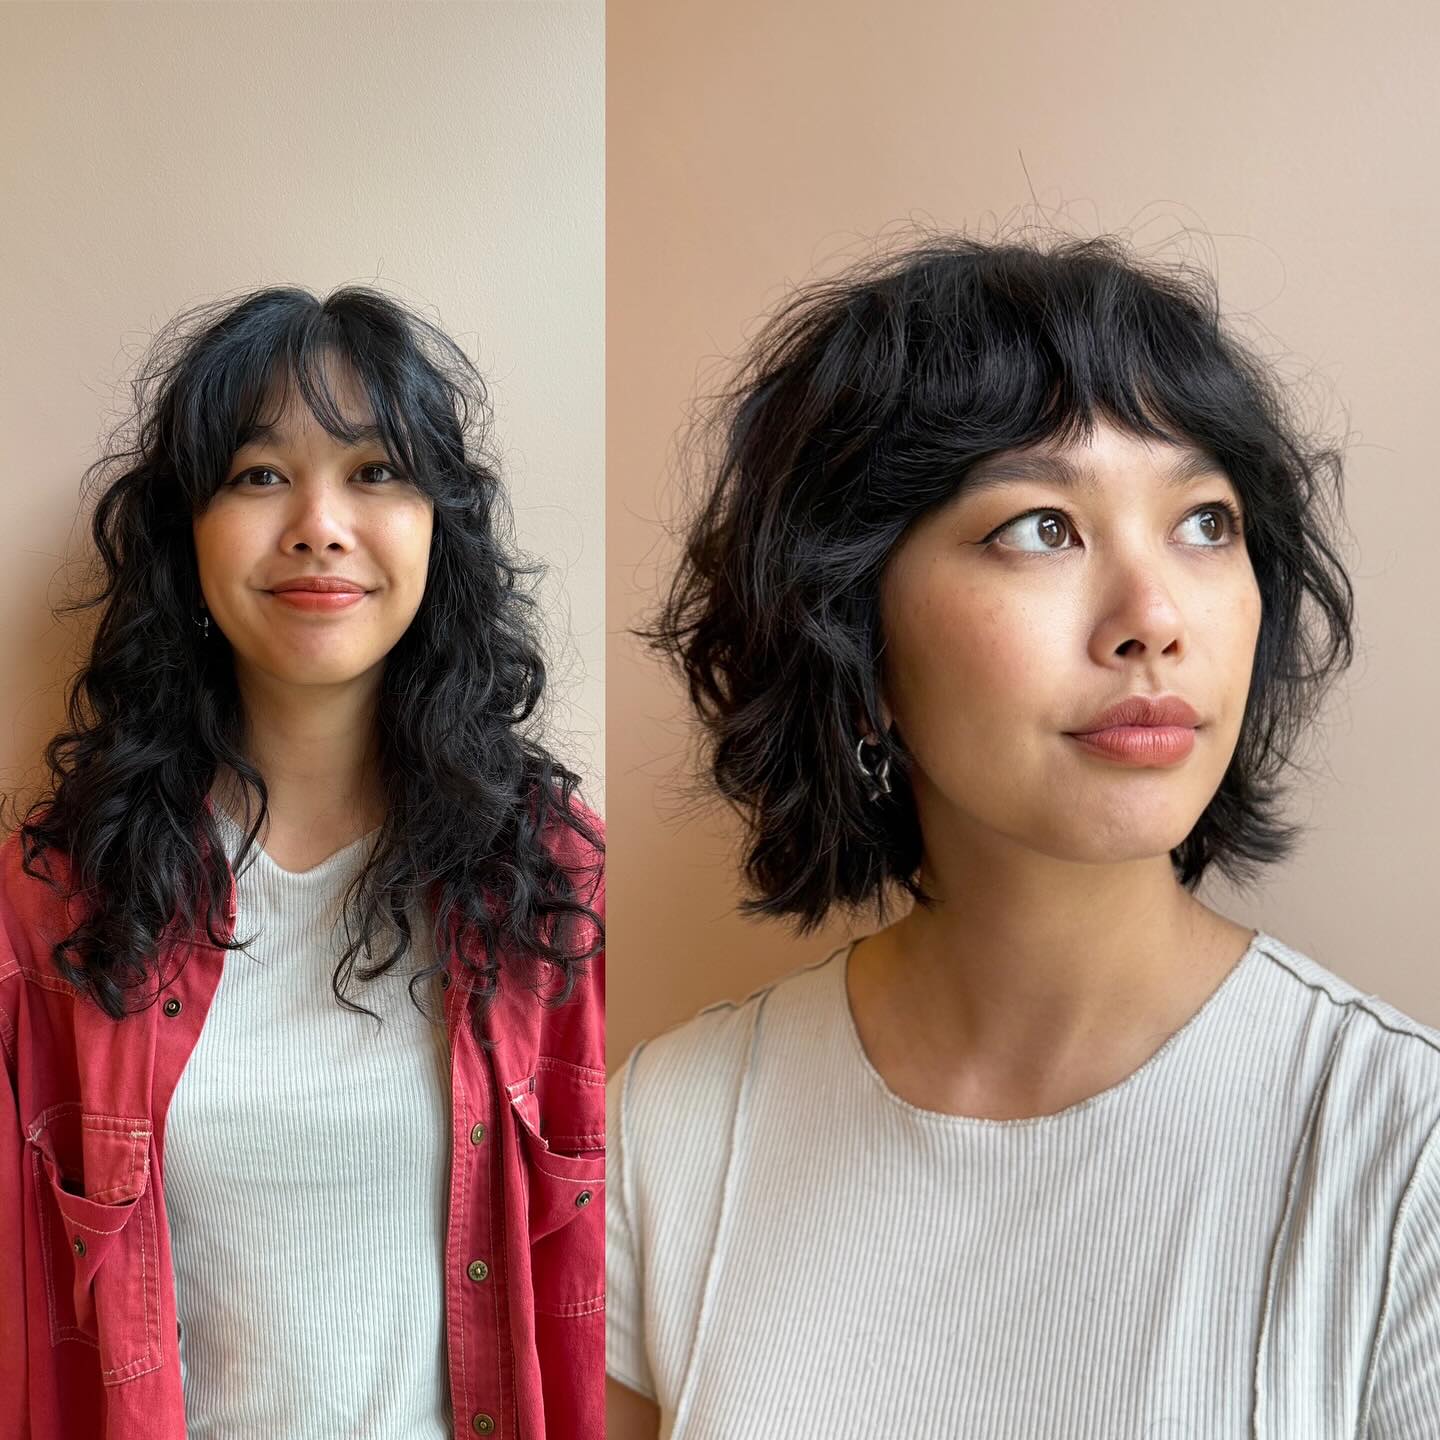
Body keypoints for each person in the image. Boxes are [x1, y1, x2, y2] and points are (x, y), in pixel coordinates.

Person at [605, 233, 1440, 1438]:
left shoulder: (1398, 1155)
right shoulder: (663, 1140)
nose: (1154, 619)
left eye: (1205, 522)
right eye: (1042, 527)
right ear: (853, 633)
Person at [0, 285, 605, 1440]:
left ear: (439, 526)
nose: (320, 524)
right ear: (189, 532)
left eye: (376, 471)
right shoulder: (50, 917)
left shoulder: (559, 891)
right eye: (260, 475)